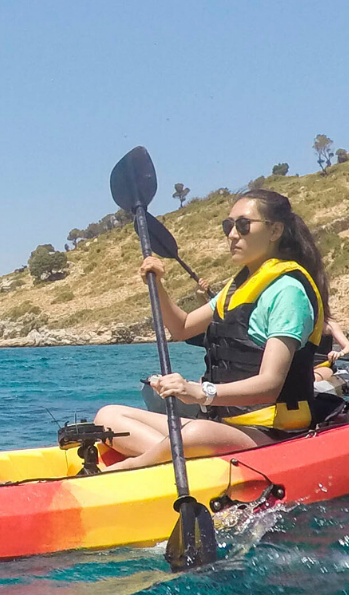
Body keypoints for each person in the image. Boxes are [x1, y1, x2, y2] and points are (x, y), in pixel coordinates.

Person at [93, 188, 333, 472]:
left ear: (275, 230)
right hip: (227, 426)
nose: (233, 235)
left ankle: (132, 468)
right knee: (108, 416)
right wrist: (156, 284)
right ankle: (176, 454)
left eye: (243, 226)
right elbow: (181, 327)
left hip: (273, 432)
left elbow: (271, 385)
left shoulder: (288, 291)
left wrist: (200, 392)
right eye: (228, 226)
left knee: (195, 435)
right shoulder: (236, 287)